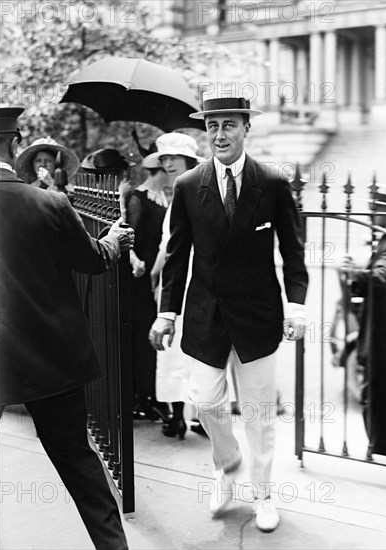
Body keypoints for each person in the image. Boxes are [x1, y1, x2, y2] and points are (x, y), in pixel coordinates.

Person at [149, 90, 308, 532]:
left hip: (257, 318)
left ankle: (263, 495)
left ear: (245, 128)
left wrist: (295, 307)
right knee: (206, 405)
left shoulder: (272, 183)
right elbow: (177, 256)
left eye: (229, 125)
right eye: (212, 126)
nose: (220, 135)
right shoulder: (187, 185)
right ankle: (226, 464)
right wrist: (167, 314)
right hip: (205, 316)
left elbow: (294, 253)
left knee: (258, 415)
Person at [0, 106, 134, 550]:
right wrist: (113, 241)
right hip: (49, 360)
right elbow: (93, 260)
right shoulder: (50, 203)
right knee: (79, 462)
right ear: (15, 144)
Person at [146, 132, 205, 438]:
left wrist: (155, 272)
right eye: (164, 159)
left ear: (188, 160)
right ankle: (179, 414)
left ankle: (196, 414)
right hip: (177, 278)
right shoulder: (179, 194)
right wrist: (156, 274)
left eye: (174, 158)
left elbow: (172, 245)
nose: (168, 164)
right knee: (175, 347)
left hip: (194, 276)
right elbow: (166, 244)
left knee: (197, 347)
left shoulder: (196, 191)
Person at [119, 152, 171, 421]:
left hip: (157, 276)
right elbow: (131, 238)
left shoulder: (162, 197)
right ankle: (142, 397)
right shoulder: (138, 198)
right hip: (141, 278)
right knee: (142, 336)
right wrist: (141, 265)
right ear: (160, 169)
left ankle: (153, 396)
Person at [341, 189, 386, 457]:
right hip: (377, 326)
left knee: (377, 388)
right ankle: (380, 444)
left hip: (384, 331)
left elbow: (384, 276)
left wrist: (358, 273)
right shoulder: (383, 240)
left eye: (376, 209)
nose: (371, 214)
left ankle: (381, 445)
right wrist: (358, 273)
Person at [15, 135, 79, 193]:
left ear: (55, 164)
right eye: (38, 161)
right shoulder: (28, 189)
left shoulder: (67, 187)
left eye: (48, 161)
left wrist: (51, 183)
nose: (43, 164)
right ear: (32, 164)